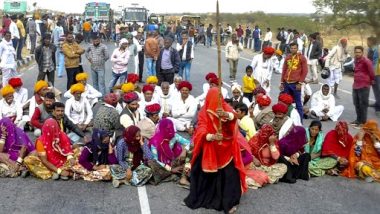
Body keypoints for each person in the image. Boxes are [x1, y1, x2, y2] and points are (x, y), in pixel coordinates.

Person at [184, 87, 247, 213]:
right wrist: (211, 136)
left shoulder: (225, 107)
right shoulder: (203, 112)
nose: (217, 101)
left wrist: (226, 115)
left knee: (229, 177)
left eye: (219, 98)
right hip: (210, 147)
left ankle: (228, 203)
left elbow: (234, 118)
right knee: (205, 175)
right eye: (214, 98)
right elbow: (201, 129)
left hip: (225, 149)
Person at [148, 118, 191, 185]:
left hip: (173, 160)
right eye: (167, 129)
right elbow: (156, 160)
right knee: (152, 164)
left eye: (171, 128)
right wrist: (171, 169)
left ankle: (184, 177)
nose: (170, 131)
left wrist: (184, 151)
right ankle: (177, 172)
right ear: (162, 129)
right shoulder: (155, 142)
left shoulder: (174, 136)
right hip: (161, 165)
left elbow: (190, 143)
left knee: (191, 152)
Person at [280, 42, 308, 121]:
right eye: (292, 48)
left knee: (298, 103)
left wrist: (300, 83)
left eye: (295, 48)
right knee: (285, 103)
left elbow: (305, 71)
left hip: (295, 84)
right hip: (286, 83)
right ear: (290, 48)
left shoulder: (301, 58)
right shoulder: (287, 57)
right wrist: (282, 82)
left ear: (297, 48)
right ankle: (286, 120)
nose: (293, 49)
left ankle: (300, 122)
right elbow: (284, 70)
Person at [351, 46, 375, 127]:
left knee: (363, 104)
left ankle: (363, 122)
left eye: (359, 52)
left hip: (364, 85)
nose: (357, 54)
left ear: (362, 53)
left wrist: (371, 80)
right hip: (355, 85)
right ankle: (358, 120)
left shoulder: (366, 61)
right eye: (356, 52)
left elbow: (371, 72)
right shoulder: (355, 60)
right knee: (356, 103)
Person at [367, 37, 380, 117]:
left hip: (377, 71)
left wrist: (373, 73)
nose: (367, 43)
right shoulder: (370, 49)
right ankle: (376, 103)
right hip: (372, 71)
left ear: (372, 41)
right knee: (375, 88)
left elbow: (376, 61)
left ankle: (378, 108)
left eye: (368, 41)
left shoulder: (377, 49)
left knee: (378, 89)